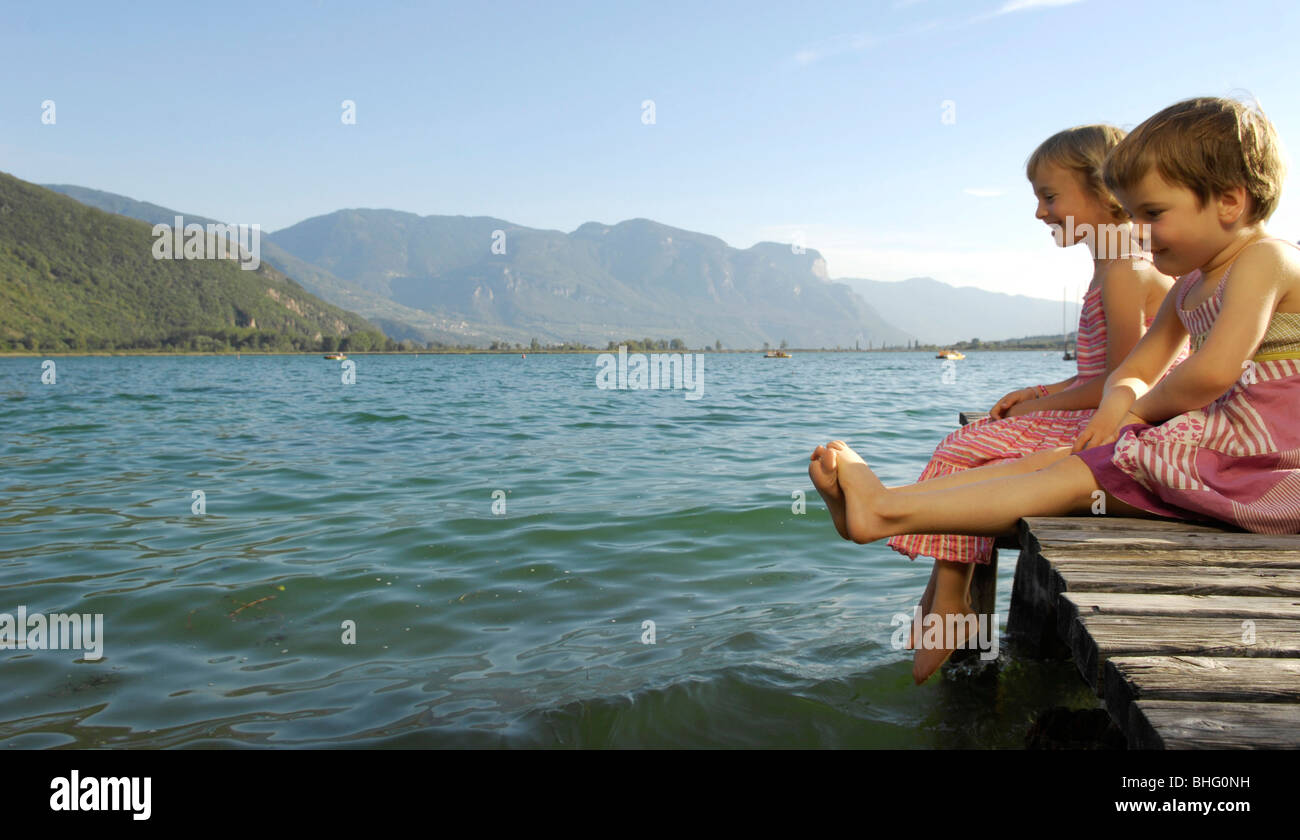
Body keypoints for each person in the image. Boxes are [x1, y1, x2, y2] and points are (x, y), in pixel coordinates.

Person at [809, 96, 1299, 685]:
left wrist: (1131, 409)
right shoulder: (1189, 283)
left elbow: (1214, 371)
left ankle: (889, 515)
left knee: (1072, 475)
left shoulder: (1265, 260)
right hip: (1224, 448)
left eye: (1152, 213)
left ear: (1229, 200)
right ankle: (883, 508)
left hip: (1268, 467)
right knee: (1057, 464)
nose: (1138, 230)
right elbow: (1136, 366)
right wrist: (1119, 400)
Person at [878, 126, 1186, 636]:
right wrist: (1042, 395)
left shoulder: (1126, 269)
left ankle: (950, 598)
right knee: (977, 447)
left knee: (961, 446)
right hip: (1105, 409)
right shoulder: (1111, 263)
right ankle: (943, 595)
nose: (1040, 212)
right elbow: (1102, 370)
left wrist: (1034, 410)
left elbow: (1122, 379)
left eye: (1049, 196)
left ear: (1104, 190)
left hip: (1124, 424)